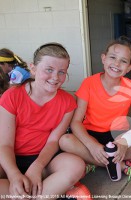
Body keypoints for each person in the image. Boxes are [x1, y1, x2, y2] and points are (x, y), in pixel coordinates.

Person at [59, 36, 131, 181]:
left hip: (118, 137)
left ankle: (96, 162)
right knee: (65, 140)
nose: (117, 63)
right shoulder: (89, 83)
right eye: (113, 57)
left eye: (123, 61)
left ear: (129, 67)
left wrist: (125, 142)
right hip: (91, 135)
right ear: (103, 58)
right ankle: (120, 165)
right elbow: (76, 122)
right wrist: (92, 145)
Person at [0, 43, 85, 199]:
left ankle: (26, 192)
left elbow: (53, 141)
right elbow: (4, 144)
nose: (55, 77)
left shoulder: (67, 102)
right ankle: (43, 191)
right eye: (49, 70)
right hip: (9, 160)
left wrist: (37, 168)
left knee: (76, 165)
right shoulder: (12, 96)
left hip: (44, 160)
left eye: (62, 72)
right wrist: (13, 175)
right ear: (33, 68)